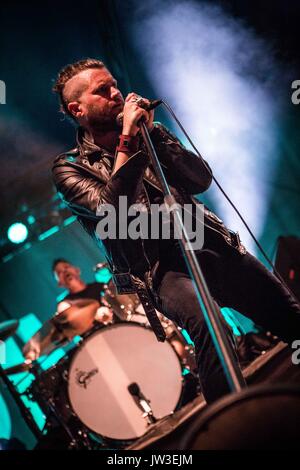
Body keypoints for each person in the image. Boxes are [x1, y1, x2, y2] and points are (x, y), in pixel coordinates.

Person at [52, 58, 300, 404]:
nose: (116, 93)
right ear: (77, 109)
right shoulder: (70, 168)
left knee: (289, 316)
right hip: (160, 269)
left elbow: (200, 180)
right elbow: (114, 214)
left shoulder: (148, 132)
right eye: (102, 90)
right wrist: (127, 141)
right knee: (212, 328)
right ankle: (231, 425)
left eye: (113, 84)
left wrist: (153, 135)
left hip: (208, 241)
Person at [23, 258, 113, 361]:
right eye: (59, 273)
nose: (64, 271)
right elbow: (66, 319)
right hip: (97, 344)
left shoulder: (100, 286)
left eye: (66, 267)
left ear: (77, 270)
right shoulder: (65, 304)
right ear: (59, 283)